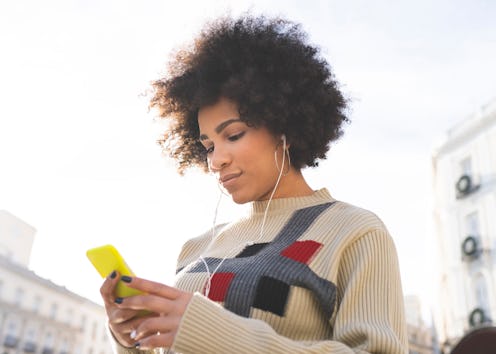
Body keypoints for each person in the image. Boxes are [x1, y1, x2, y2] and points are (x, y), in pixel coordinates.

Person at [99, 14, 408, 354]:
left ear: (283, 126)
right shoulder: (196, 247)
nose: (216, 160)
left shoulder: (355, 231)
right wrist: (131, 339)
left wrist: (214, 332)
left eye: (233, 135)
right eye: (208, 147)